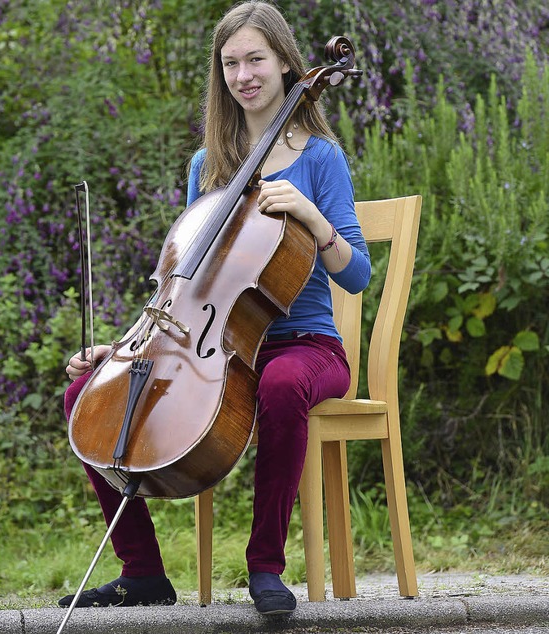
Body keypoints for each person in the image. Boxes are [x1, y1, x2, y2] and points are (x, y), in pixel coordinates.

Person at [61, 0, 370, 616]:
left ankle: (265, 567)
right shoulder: (209, 166)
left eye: (256, 58)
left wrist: (310, 216)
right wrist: (128, 346)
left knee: (282, 387)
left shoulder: (321, 160)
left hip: (303, 345)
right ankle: (143, 574)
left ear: (286, 63)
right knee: (85, 398)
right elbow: (186, 281)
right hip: (214, 346)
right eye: (230, 63)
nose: (243, 74)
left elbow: (356, 275)